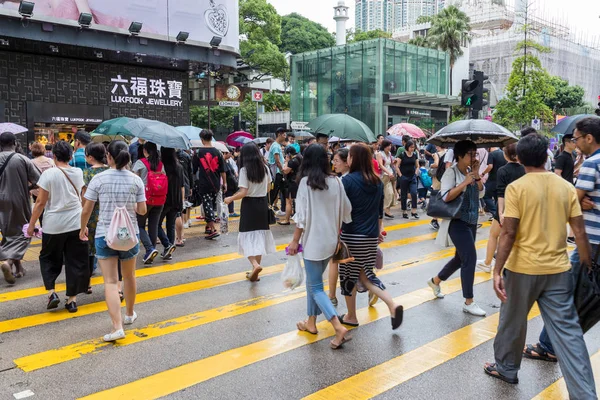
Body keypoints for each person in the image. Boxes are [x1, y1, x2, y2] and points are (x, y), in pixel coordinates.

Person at [483, 134, 596, 399]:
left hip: (521, 269)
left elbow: (508, 233)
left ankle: (506, 369)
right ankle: (585, 395)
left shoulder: (517, 188)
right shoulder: (566, 187)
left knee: (512, 322)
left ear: (520, 159)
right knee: (569, 336)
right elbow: (579, 232)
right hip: (557, 270)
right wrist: (588, 265)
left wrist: (497, 270)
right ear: (547, 156)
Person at [523, 117, 600, 371]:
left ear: (589, 138)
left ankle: (549, 346)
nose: (576, 144)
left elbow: (570, 203)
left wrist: (582, 201)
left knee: (565, 296)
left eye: (577, 138)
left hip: (591, 243)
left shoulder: (592, 164)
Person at [287, 144, 353, 349]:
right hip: (331, 241)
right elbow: (346, 211)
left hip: (313, 242)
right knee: (313, 284)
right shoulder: (336, 182)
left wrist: (294, 241)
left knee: (316, 287)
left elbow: (302, 219)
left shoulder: (305, 183)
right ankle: (311, 323)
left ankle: (337, 326)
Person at [80, 140, 146, 342]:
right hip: (129, 235)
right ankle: (129, 315)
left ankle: (116, 327)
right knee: (129, 276)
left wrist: (82, 228)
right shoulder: (136, 180)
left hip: (104, 234)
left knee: (109, 281)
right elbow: (142, 210)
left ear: (108, 156)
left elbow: (87, 209)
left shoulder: (98, 179)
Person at [338, 143, 404, 330]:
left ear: (354, 159)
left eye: (349, 156)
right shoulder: (376, 182)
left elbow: (341, 210)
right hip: (369, 237)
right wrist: (377, 232)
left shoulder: (347, 181)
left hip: (350, 236)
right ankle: (392, 304)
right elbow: (378, 212)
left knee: (348, 277)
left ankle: (351, 316)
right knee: (366, 276)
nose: (348, 159)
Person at [27, 141, 89, 312]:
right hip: (76, 223)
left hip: (53, 226)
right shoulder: (78, 172)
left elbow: (40, 203)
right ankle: (72, 300)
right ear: (70, 156)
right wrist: (84, 223)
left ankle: (52, 292)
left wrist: (32, 225)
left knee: (48, 259)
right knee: (74, 260)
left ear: (53, 156)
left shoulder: (49, 174)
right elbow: (83, 198)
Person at [428, 140, 486, 316]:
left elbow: (482, 192)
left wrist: (476, 176)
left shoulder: (471, 172)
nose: (474, 157)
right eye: (470, 154)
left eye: (475, 154)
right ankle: (469, 301)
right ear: (459, 156)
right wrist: (464, 183)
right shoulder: (450, 173)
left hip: (471, 219)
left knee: (460, 259)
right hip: (457, 221)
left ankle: (435, 281)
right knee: (470, 257)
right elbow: (445, 197)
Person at [224, 143, 276, 282]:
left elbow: (243, 191)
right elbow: (269, 187)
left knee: (246, 237)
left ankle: (255, 264)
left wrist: (230, 198)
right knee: (259, 237)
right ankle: (256, 272)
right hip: (262, 204)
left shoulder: (244, 170)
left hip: (249, 205)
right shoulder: (265, 168)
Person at [477, 143, 525, 273]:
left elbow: (501, 193)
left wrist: (500, 213)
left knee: (494, 235)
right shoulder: (525, 169)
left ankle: (487, 263)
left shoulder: (502, 170)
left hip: (505, 207)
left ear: (505, 154)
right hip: (521, 207)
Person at [0, 132, 41, 283]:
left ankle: (19, 269)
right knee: (24, 231)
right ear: (15, 143)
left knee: (8, 231)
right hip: (19, 199)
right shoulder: (22, 159)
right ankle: (8, 262)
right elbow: (39, 180)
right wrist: (28, 187)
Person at [82, 143, 109, 284]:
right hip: (107, 209)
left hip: (92, 210)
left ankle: (91, 267)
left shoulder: (87, 173)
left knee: (90, 239)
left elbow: (85, 195)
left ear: (91, 157)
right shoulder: (110, 169)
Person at [133, 142, 165, 261]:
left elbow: (134, 180)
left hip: (144, 199)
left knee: (139, 225)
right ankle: (151, 252)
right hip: (159, 199)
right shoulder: (161, 164)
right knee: (153, 226)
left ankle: (149, 249)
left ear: (145, 151)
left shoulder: (140, 163)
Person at [192, 129, 226, 240]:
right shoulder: (218, 152)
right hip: (216, 183)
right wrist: (224, 183)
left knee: (207, 205)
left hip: (204, 183)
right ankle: (208, 227)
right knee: (211, 204)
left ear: (202, 139)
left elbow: (193, 169)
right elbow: (222, 170)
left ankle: (213, 229)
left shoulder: (198, 153)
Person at [329, 148, 350, 306]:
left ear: (347, 161)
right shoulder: (369, 178)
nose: (333, 164)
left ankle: (331, 295)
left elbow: (338, 208)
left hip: (343, 226)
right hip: (362, 229)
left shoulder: (342, 181)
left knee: (335, 261)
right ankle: (372, 287)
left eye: (336, 161)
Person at [157, 148, 184, 261]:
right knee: (170, 225)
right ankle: (168, 251)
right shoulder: (179, 167)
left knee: (156, 224)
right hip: (176, 199)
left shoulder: (161, 167)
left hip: (164, 199)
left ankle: (167, 245)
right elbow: (182, 186)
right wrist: (181, 201)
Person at [30, 142, 55, 224]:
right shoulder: (50, 161)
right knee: (49, 208)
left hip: (37, 191)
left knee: (40, 207)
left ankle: (42, 226)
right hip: (50, 190)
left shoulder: (31, 162)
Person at [280, 146, 302, 226]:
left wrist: (286, 162)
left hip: (291, 183)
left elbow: (285, 171)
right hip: (298, 181)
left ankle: (287, 219)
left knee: (288, 202)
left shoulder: (292, 161)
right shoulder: (300, 158)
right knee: (297, 201)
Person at [397, 140, 420, 219]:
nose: (412, 149)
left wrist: (416, 172)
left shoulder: (414, 154)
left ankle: (414, 211)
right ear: (407, 147)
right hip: (404, 177)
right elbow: (397, 166)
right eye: (411, 147)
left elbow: (417, 165)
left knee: (414, 193)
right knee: (404, 194)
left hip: (412, 177)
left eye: (413, 147)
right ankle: (404, 211)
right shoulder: (402, 155)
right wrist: (400, 175)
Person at [480, 147, 506, 217]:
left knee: (485, 196)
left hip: (492, 179)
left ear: (490, 147)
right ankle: (499, 213)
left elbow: (490, 166)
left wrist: (483, 173)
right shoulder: (503, 153)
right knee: (498, 197)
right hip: (502, 179)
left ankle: (495, 213)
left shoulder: (491, 154)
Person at [428, 145, 447, 231]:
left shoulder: (436, 154)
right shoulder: (449, 152)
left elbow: (436, 164)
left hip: (438, 178)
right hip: (447, 177)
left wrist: (431, 165)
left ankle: (434, 219)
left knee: (437, 197)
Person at [268, 128, 286, 215]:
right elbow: (277, 161)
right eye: (284, 134)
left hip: (279, 173)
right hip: (277, 173)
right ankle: (267, 210)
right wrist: (282, 170)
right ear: (279, 134)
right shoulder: (275, 146)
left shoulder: (277, 145)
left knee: (283, 191)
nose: (285, 136)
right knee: (274, 193)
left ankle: (284, 209)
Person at [377, 139, 396, 219]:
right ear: (384, 146)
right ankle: (383, 210)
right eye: (388, 146)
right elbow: (380, 165)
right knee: (382, 194)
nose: (389, 147)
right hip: (382, 176)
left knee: (390, 193)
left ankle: (387, 210)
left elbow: (390, 164)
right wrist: (388, 172)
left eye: (390, 146)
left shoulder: (389, 154)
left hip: (389, 175)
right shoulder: (380, 154)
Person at [223, 147, 239, 216]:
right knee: (228, 196)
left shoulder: (229, 160)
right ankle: (229, 211)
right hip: (227, 182)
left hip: (231, 182)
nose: (231, 155)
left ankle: (231, 211)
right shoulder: (223, 161)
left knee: (230, 195)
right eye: (230, 153)